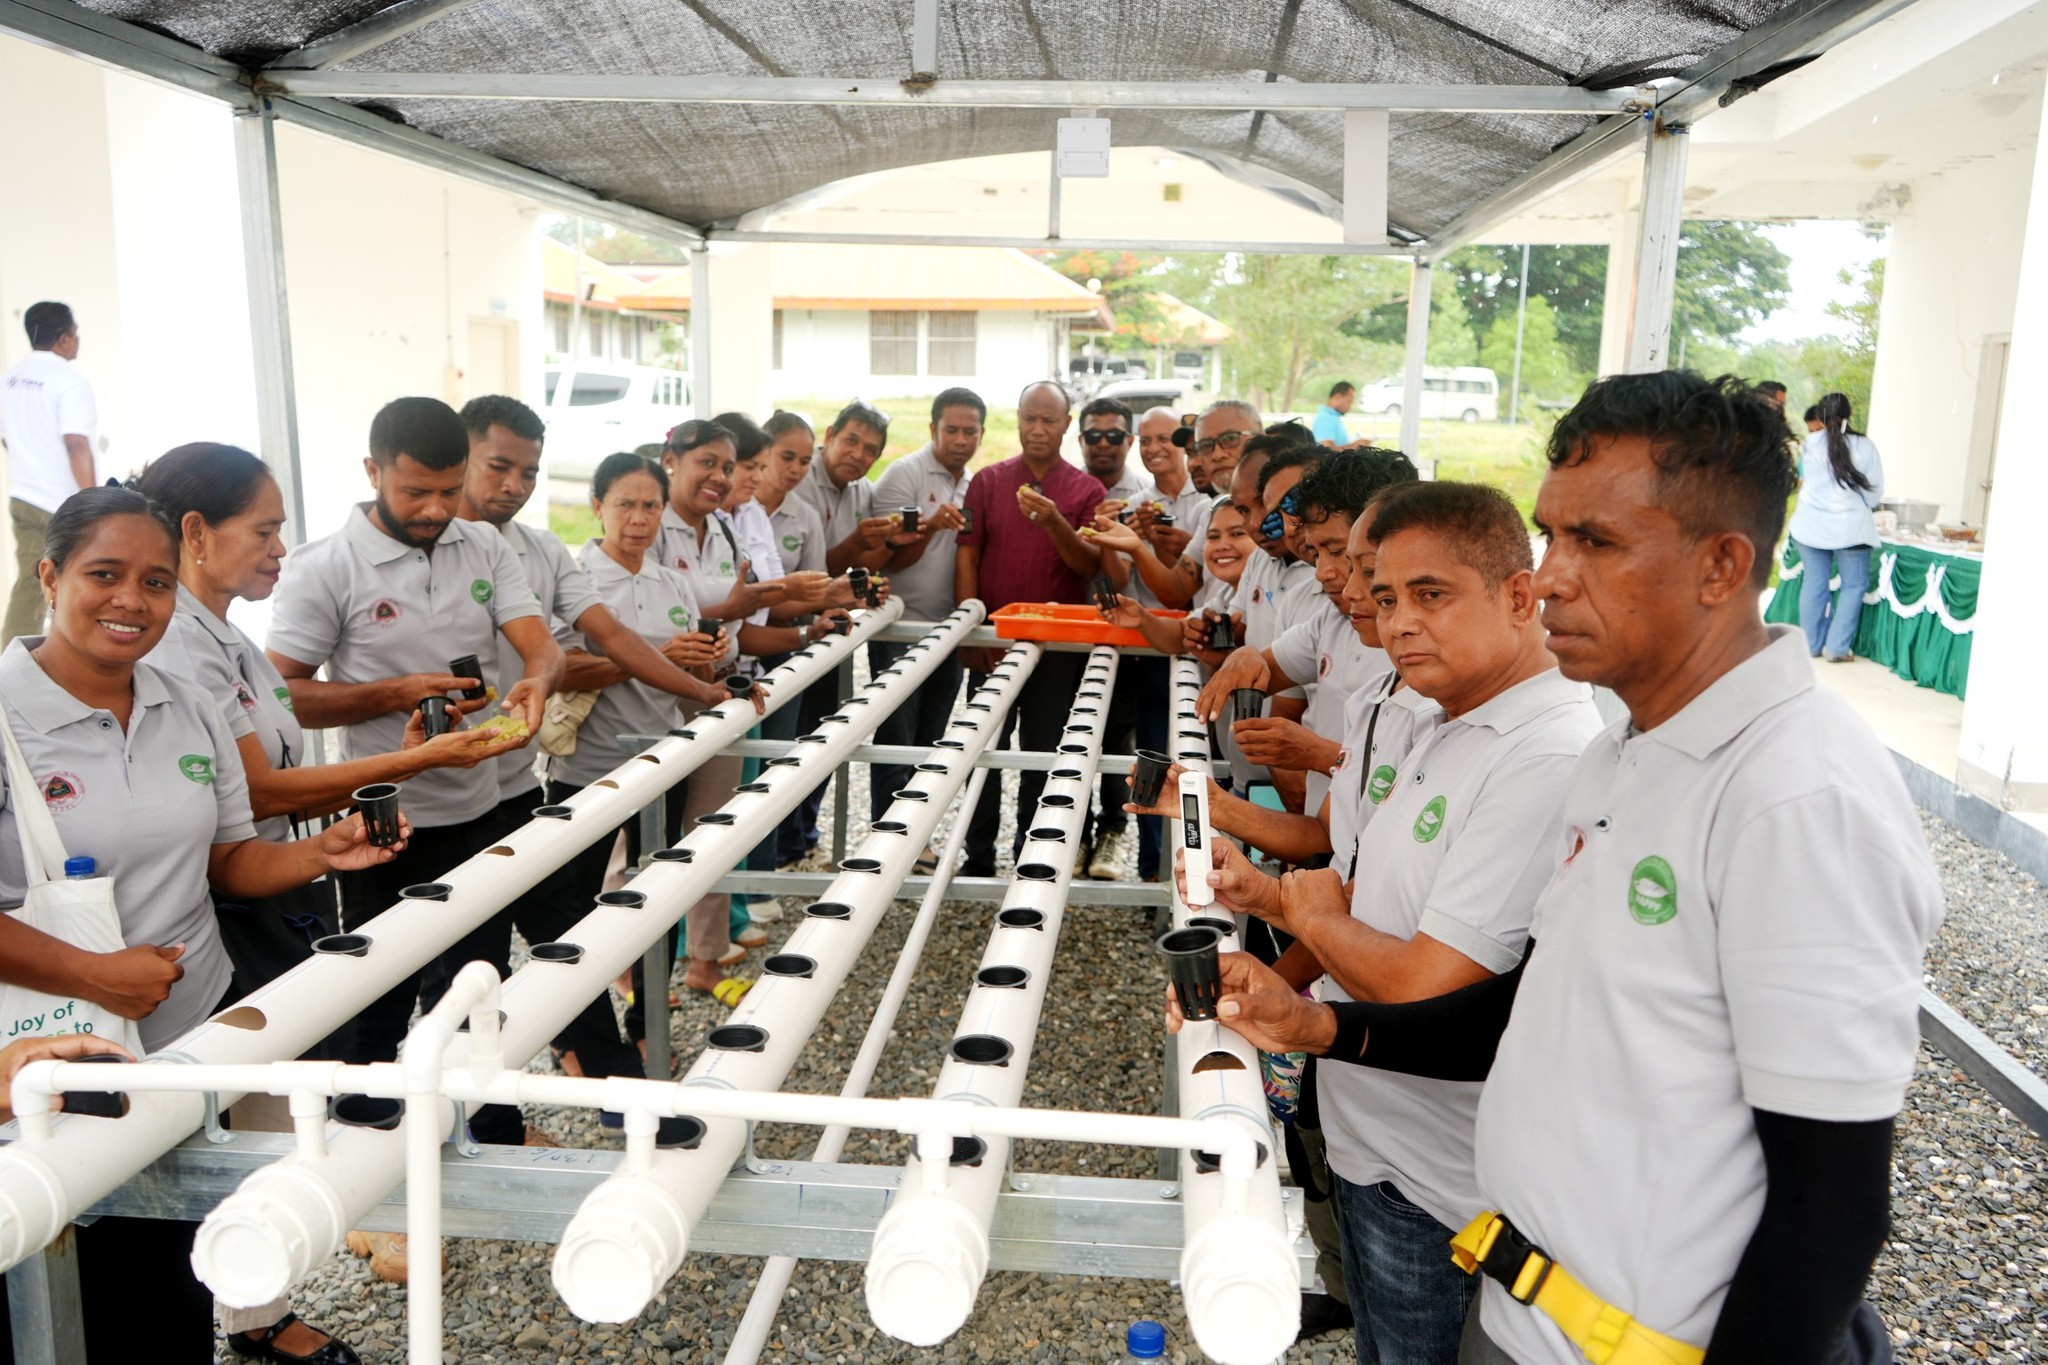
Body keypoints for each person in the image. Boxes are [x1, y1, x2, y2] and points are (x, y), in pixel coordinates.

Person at [1183, 372, 1942, 1365]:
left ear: (1720, 565)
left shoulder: (1797, 796)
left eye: (1597, 542)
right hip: (1523, 1307)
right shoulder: (1620, 753)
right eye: (1552, 536)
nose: (1547, 578)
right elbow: (1529, 1006)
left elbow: (1829, 1204)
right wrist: (1318, 1023)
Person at [1188, 480, 1602, 1365]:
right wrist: (1272, 898)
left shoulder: (1545, 753)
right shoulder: (1441, 722)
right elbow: (1357, 885)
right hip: (1372, 1135)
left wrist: (1311, 915)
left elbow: (1428, 983)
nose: (1400, 620)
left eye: (1431, 594)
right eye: (1384, 597)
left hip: (1443, 1181)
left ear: (1520, 596)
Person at [0, 486, 408, 1365]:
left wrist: (321, 854)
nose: (131, 602)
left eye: (153, 581)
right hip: (48, 1053)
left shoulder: (187, 702)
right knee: (65, 1275)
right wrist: (91, 973)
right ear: (48, 574)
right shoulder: (4, 716)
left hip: (191, 1035)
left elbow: (228, 859)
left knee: (167, 1269)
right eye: (103, 575)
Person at [264, 396, 562, 1147]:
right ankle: (361, 1158)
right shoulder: (324, 567)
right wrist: (395, 692)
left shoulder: (485, 546)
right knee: (376, 994)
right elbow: (282, 696)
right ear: (372, 472)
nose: (434, 509)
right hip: (382, 820)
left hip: (480, 805)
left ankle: (489, 1134)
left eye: (447, 490)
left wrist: (536, 678)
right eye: (414, 492)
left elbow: (541, 644)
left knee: (478, 984)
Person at [137, 443, 527, 1004]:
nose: (279, 549)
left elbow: (272, 789)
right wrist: (420, 758)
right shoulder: (179, 643)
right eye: (263, 532)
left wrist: (407, 760)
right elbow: (258, 794)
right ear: (195, 533)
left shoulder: (226, 636)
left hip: (278, 881)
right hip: (228, 902)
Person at [450, 397, 732, 1078]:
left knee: (596, 917)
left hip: (593, 769)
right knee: (466, 953)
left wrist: (698, 685)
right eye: (499, 467)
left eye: (529, 472)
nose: (514, 484)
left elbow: (580, 644)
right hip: (576, 773)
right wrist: (674, 666)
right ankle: (521, 1082)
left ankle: (613, 1050)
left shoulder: (545, 553)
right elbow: (569, 655)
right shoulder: (565, 559)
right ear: (600, 506)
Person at [548, 453, 783, 1005]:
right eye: (624, 504)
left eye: (650, 505)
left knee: (658, 879)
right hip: (593, 765)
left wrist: (710, 663)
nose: (638, 518)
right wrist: (659, 653)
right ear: (596, 508)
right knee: (586, 894)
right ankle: (587, 1003)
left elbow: (693, 675)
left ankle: (646, 1001)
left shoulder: (671, 585)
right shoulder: (577, 583)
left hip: (664, 758)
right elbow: (563, 668)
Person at [955, 381, 1103, 877]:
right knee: (983, 751)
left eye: (1049, 420)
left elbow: (1089, 565)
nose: (1038, 430)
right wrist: (970, 630)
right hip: (993, 643)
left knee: (1044, 754)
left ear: (1066, 424)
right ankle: (977, 857)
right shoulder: (988, 482)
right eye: (1029, 419)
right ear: (1017, 420)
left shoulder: (1086, 491)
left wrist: (1055, 522)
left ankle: (1030, 857)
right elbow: (968, 554)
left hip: (1058, 649)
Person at [871, 389, 978, 851]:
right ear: (932, 428)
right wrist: (931, 524)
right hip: (901, 627)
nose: (959, 439)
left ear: (981, 434)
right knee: (897, 735)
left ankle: (915, 839)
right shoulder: (904, 474)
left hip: (951, 628)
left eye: (969, 430)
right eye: (950, 429)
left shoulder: (976, 483)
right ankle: (886, 841)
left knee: (931, 739)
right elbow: (883, 560)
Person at [1, 303, 97, 645]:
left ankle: (13, 666)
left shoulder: (8, 379)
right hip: (63, 504)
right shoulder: (68, 381)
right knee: (88, 580)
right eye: (76, 332)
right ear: (64, 338)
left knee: (31, 585)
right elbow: (76, 444)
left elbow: (6, 437)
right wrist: (93, 500)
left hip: (24, 496)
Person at [1789, 391, 1884, 663]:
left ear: (1820, 416)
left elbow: (1802, 479)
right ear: (1849, 414)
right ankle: (1838, 649)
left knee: (1814, 583)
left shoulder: (1809, 444)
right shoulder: (1864, 446)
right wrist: (1861, 503)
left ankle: (1810, 647)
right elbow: (1875, 493)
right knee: (1853, 586)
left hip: (1809, 528)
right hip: (1850, 529)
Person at [1314, 381, 1356, 448]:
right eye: (1349, 402)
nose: (1349, 407)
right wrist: (1355, 446)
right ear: (1338, 397)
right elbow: (1327, 450)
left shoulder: (1333, 417)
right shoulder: (1325, 418)